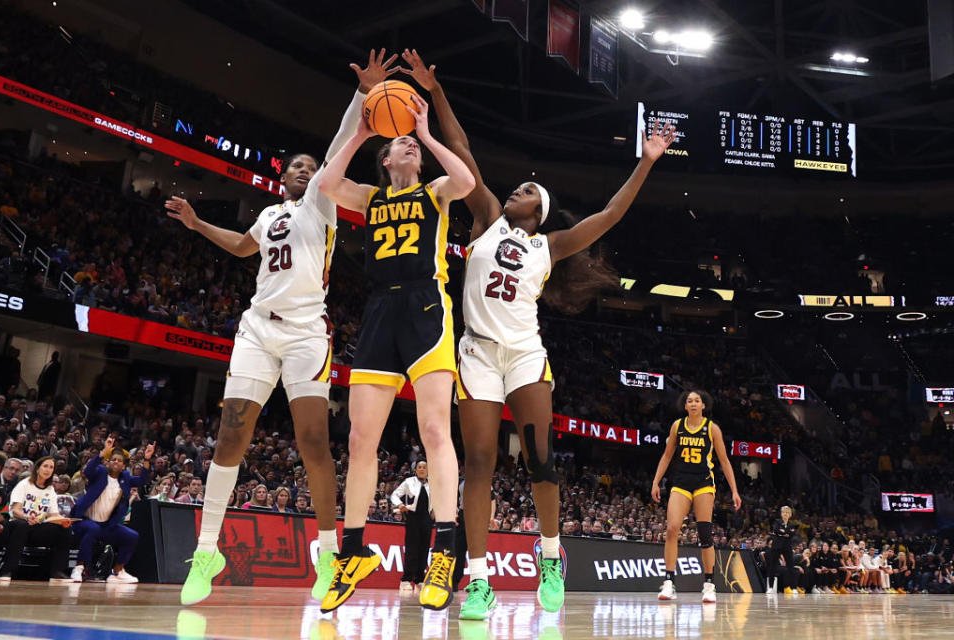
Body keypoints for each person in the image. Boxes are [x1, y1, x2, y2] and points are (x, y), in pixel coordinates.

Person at [397, 49, 674, 619]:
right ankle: (478, 581)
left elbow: (610, 216)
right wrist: (437, 92)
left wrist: (646, 161)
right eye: (519, 186)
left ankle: (551, 557)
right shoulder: (486, 216)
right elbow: (466, 153)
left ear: (539, 211)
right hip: (474, 351)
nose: (518, 188)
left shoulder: (549, 245)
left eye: (527, 189)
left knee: (540, 461)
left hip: (524, 353)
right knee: (479, 463)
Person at [168, 51, 398, 606]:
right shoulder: (269, 216)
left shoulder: (322, 203)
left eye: (311, 164)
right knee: (230, 435)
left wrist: (361, 100)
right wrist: (199, 224)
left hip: (304, 334)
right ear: (282, 174)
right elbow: (244, 248)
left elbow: (346, 135)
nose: (306, 169)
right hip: (256, 330)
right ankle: (206, 550)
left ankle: (326, 555)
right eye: (298, 165)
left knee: (314, 441)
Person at [317, 58, 475, 612]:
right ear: (384, 157)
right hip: (381, 312)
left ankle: (445, 551)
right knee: (361, 440)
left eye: (413, 143)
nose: (408, 145)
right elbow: (325, 183)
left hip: (428, 308)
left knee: (435, 429)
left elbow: (468, 181)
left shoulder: (435, 191)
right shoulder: (370, 196)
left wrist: (428, 134)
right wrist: (361, 130)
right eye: (402, 141)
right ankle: (354, 551)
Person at [650, 390, 742, 603]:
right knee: (672, 528)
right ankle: (669, 582)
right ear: (685, 406)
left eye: (697, 401)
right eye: (689, 401)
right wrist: (656, 481)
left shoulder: (712, 428)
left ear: (703, 405)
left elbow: (725, 461)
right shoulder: (677, 426)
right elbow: (666, 455)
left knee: (704, 533)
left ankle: (709, 585)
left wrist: (734, 490)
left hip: (703, 483)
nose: (693, 404)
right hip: (681, 482)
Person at [70, 436, 154, 583]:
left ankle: (117, 572)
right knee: (92, 528)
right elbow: (88, 471)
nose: (116, 462)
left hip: (105, 526)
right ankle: (79, 568)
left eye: (120, 461)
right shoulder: (100, 472)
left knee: (132, 536)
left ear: (123, 466)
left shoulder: (125, 478)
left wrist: (147, 459)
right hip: (83, 521)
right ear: (108, 462)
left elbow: (141, 480)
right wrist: (103, 452)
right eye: (113, 459)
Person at [0, 456, 74, 583]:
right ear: (38, 468)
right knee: (22, 525)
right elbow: (15, 510)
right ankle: (7, 570)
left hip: (37, 527)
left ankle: (57, 572)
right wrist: (27, 517)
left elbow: (53, 515)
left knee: (64, 529)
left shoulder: (50, 490)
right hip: (17, 525)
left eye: (51, 467)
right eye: (45, 466)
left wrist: (64, 521)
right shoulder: (24, 484)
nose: (48, 470)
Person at [390, 460, 433, 593]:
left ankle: (420, 579)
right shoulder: (409, 482)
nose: (421, 469)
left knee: (424, 549)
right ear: (415, 470)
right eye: (419, 467)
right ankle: (406, 579)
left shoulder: (432, 484)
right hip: (413, 517)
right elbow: (394, 495)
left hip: (427, 519)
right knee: (411, 549)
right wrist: (400, 505)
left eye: (424, 467)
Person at [765, 506, 796, 594]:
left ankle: (793, 588)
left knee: (791, 567)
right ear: (781, 514)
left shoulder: (792, 525)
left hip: (787, 547)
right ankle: (770, 587)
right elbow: (776, 530)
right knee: (772, 567)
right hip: (776, 547)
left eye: (787, 512)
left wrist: (782, 533)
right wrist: (785, 533)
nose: (785, 514)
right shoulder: (777, 522)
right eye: (784, 512)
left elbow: (791, 534)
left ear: (790, 514)